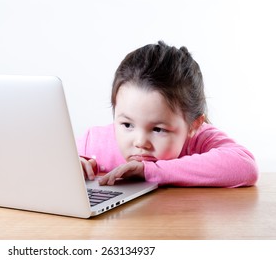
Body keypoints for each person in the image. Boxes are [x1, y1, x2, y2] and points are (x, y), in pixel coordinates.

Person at [77, 41, 258, 187]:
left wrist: (150, 171)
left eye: (157, 129)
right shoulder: (94, 142)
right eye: (127, 125)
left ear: (193, 125)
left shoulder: (201, 140)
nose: (140, 142)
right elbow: (51, 165)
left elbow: (245, 167)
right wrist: (70, 168)